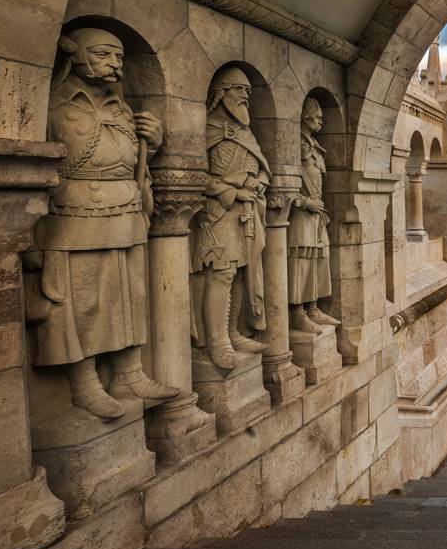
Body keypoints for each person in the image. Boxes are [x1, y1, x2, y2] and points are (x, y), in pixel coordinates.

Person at [27, 28, 177, 419]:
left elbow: (131, 158)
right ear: (73, 53)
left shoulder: (121, 108)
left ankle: (128, 373)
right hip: (74, 215)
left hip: (125, 212)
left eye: (119, 57)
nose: (114, 63)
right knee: (80, 301)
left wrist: (154, 143)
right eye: (104, 54)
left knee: (129, 295)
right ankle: (84, 383)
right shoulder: (51, 105)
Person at [191, 67, 270, 370]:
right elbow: (193, 176)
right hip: (217, 216)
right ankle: (217, 341)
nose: (245, 96)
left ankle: (233, 332)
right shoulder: (206, 127)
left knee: (240, 273)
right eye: (239, 89)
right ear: (221, 93)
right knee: (220, 275)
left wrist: (258, 182)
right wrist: (231, 190)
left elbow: (262, 167)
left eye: (248, 92)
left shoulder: (246, 132)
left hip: (247, 215)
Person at [289, 98, 340, 334]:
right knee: (300, 262)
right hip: (300, 216)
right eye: (317, 116)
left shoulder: (314, 145)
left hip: (317, 216)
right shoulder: (293, 143)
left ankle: (313, 308)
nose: (321, 119)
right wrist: (305, 202)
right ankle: (297, 314)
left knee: (320, 259)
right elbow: (283, 186)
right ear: (304, 116)